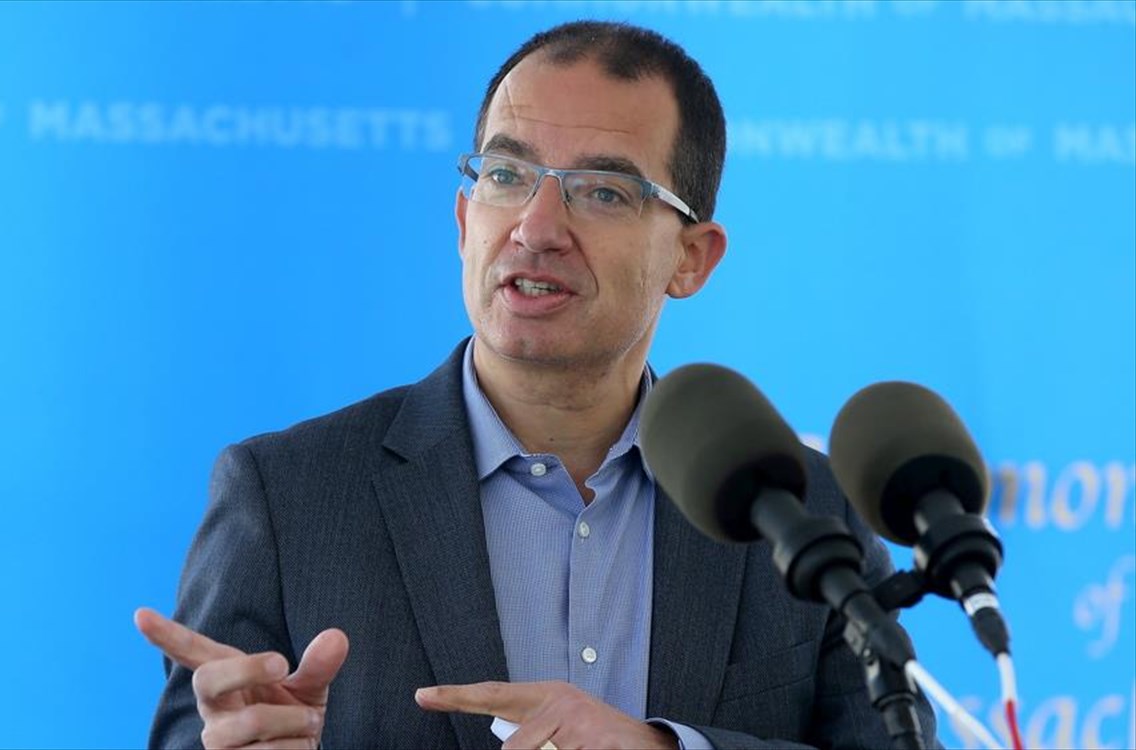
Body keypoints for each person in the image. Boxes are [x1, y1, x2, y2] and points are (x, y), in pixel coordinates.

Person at [137, 20, 940, 750]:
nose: (537, 227)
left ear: (692, 258)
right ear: (464, 222)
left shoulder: (802, 515)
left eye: (603, 192)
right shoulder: (289, 497)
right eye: (506, 174)